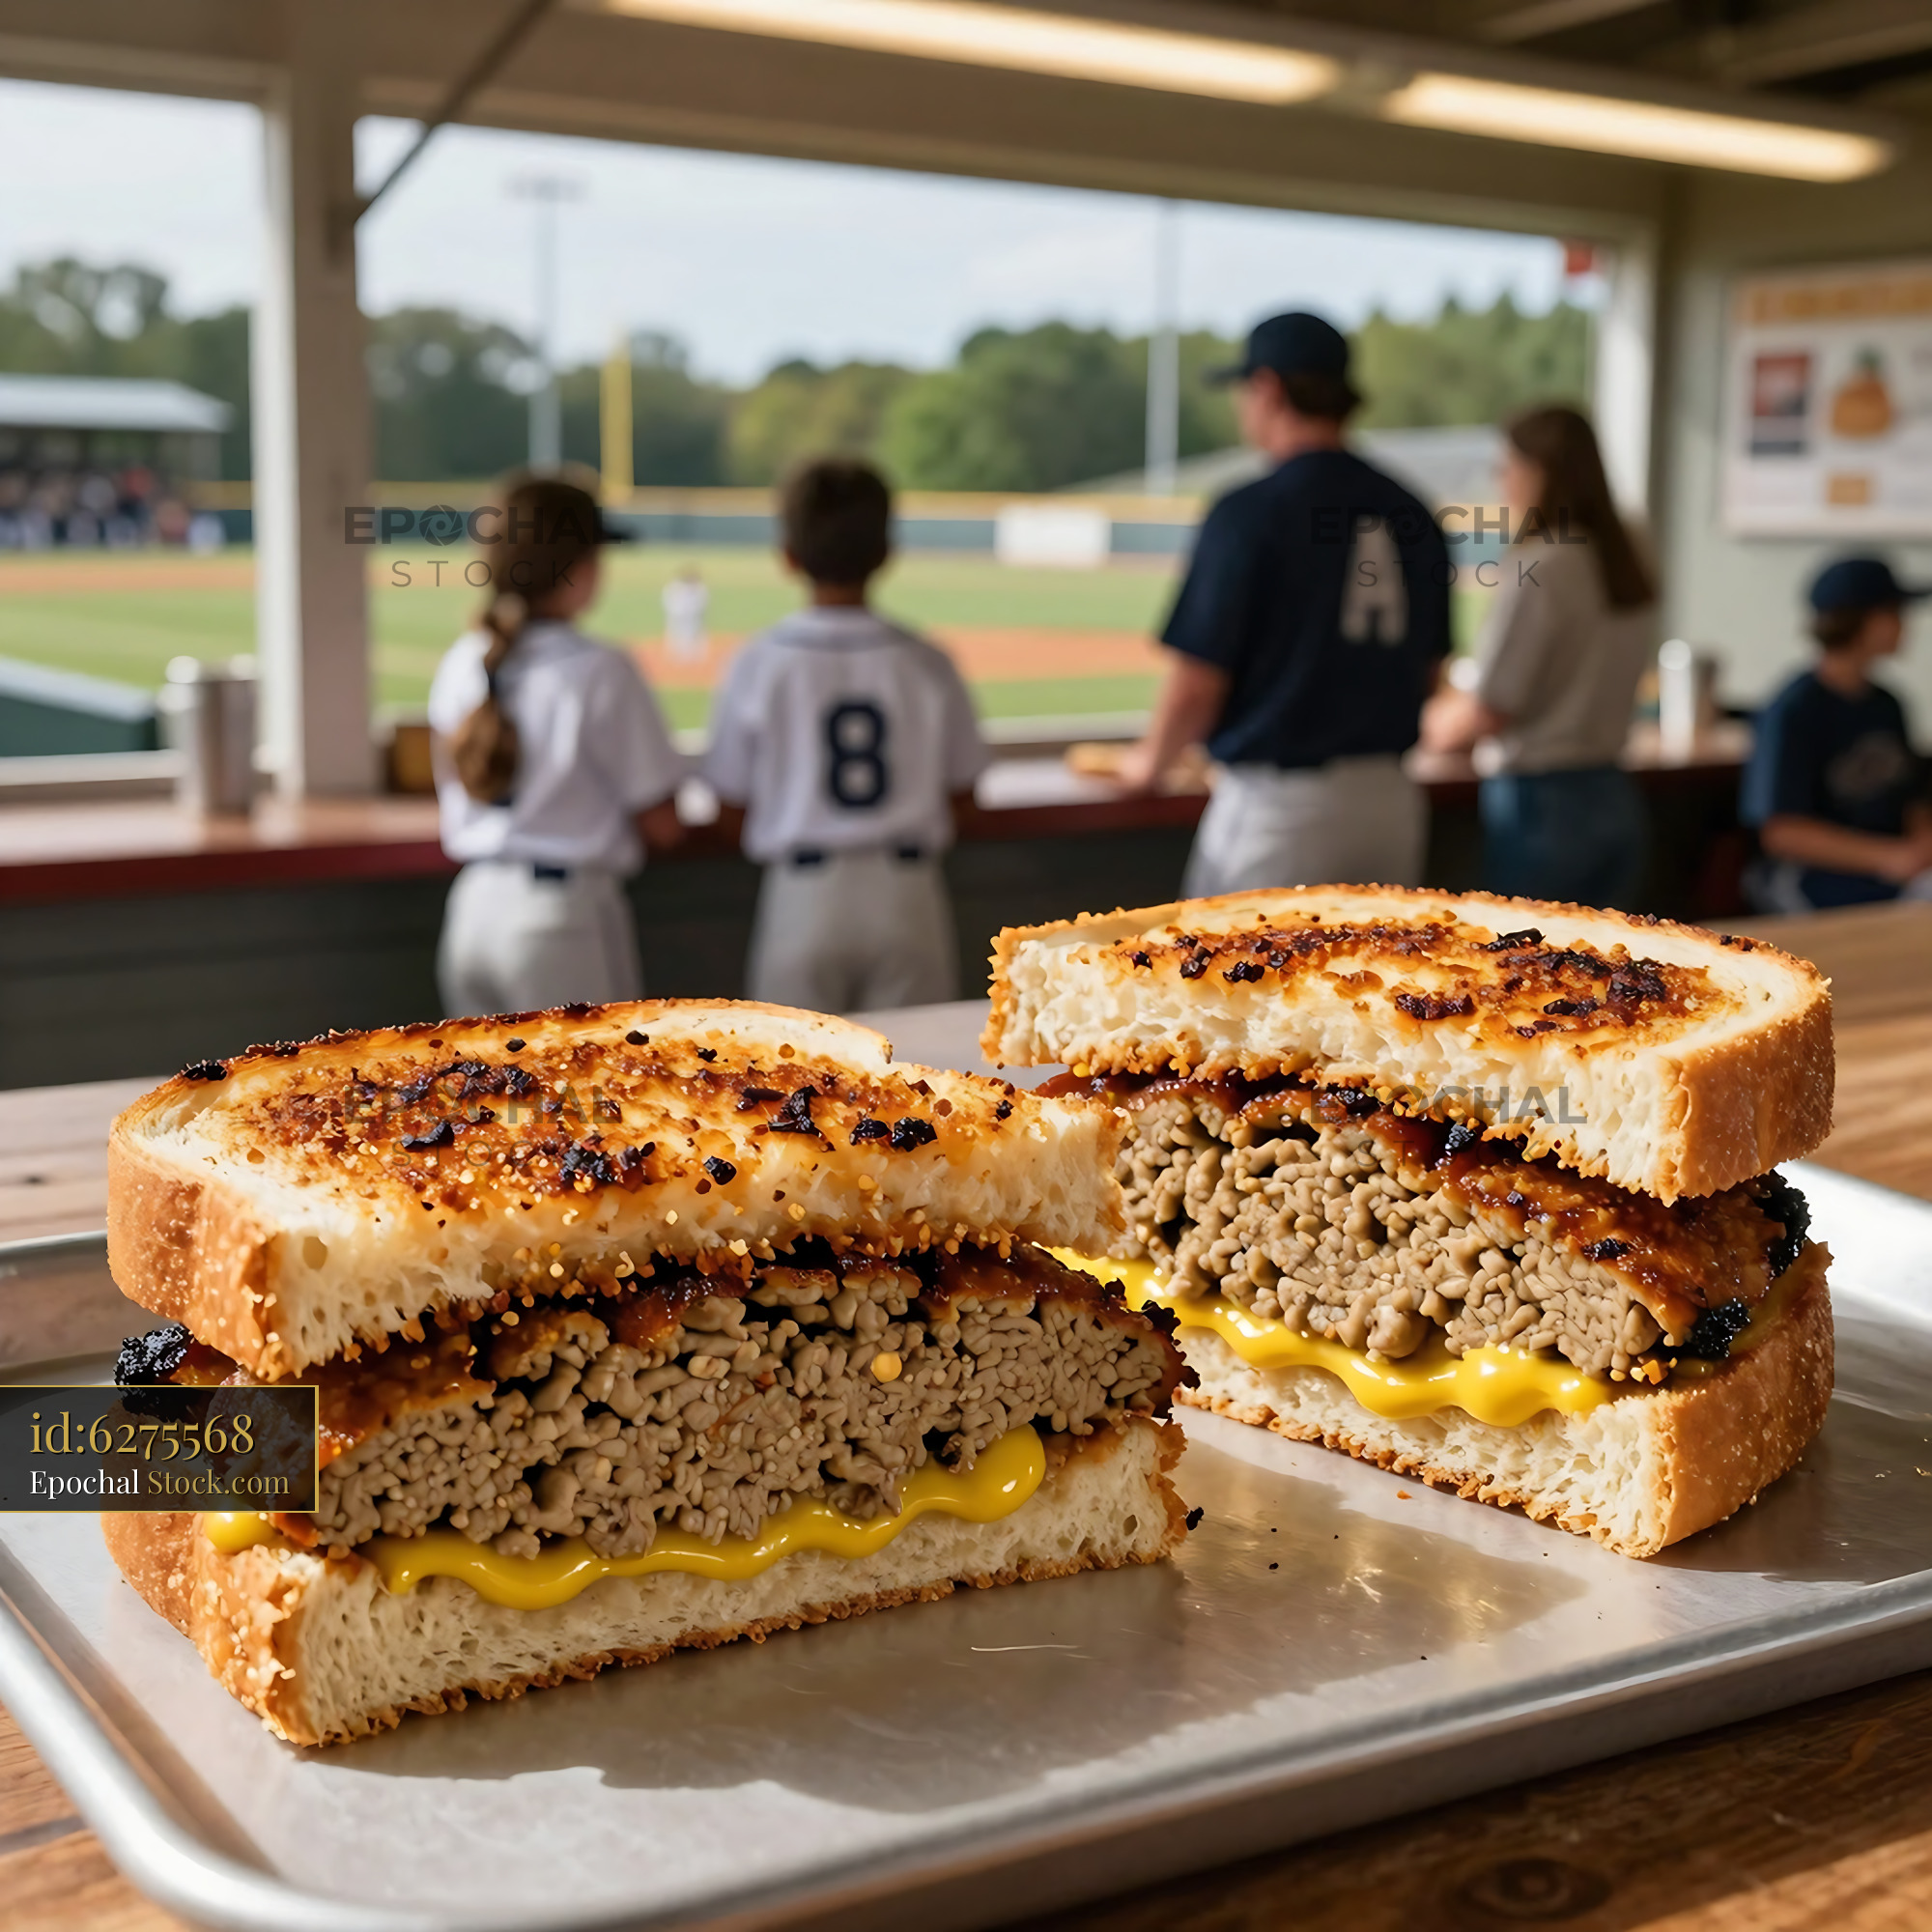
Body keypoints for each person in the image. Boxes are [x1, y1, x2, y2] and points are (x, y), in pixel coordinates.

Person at [1117, 311, 1451, 895]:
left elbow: (1199, 680)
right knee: (1375, 985)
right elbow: (1430, 672)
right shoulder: (1412, 509)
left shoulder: (1251, 508)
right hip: (1390, 803)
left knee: (1225, 984)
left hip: (1279, 809)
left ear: (1268, 387)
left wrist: (1151, 761)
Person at [702, 457, 987, 1012]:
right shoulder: (927, 660)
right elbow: (966, 800)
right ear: (886, 553)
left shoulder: (759, 660)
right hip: (907, 895)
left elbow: (728, 809)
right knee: (913, 1086)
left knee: (790, 1090)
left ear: (788, 555)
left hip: (801, 896)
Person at [428, 470, 685, 1016]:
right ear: (575, 568)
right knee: (585, 1103)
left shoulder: (462, 660)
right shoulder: (600, 668)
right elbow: (662, 822)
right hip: (558, 920)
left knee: (488, 1104)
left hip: (472, 914)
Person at [1421, 406, 1658, 907]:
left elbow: (1493, 706)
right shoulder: (1628, 554)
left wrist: (1433, 726)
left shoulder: (1541, 564)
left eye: (1507, 465)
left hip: (1542, 806)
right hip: (1613, 793)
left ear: (1540, 470)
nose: (1501, 479)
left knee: (1531, 971)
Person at [1741, 554, 1932, 911]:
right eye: (1893, 614)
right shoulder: (1794, 708)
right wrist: (1888, 856)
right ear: (1858, 621)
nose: (1905, 627)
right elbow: (1781, 833)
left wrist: (1920, 843)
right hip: (1818, 876)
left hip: (1893, 866)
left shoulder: (1889, 705)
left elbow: (1912, 798)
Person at [662, 564, 709, 662]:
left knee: (695, 635)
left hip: (693, 617)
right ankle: (677, 657)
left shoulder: (700, 588)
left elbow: (702, 603)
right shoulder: (674, 588)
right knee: (676, 636)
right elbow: (668, 602)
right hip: (677, 617)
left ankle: (695, 657)